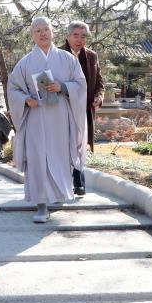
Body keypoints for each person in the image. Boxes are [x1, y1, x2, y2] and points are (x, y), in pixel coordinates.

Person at [8, 17, 88, 223]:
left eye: (46, 29)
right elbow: (13, 88)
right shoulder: (25, 62)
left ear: (53, 32)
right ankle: (41, 205)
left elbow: (81, 84)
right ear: (32, 35)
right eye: (37, 31)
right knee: (38, 159)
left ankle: (59, 194)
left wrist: (63, 87)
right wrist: (25, 99)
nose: (42, 34)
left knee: (59, 156)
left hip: (60, 117)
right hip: (35, 118)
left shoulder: (68, 59)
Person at [60, 20, 104, 196]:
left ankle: (79, 183)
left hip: (84, 108)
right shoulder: (58, 54)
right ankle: (63, 183)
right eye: (75, 35)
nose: (79, 39)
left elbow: (100, 81)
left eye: (83, 36)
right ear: (68, 36)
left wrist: (98, 97)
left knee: (80, 145)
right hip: (63, 108)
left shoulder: (91, 56)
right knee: (62, 145)